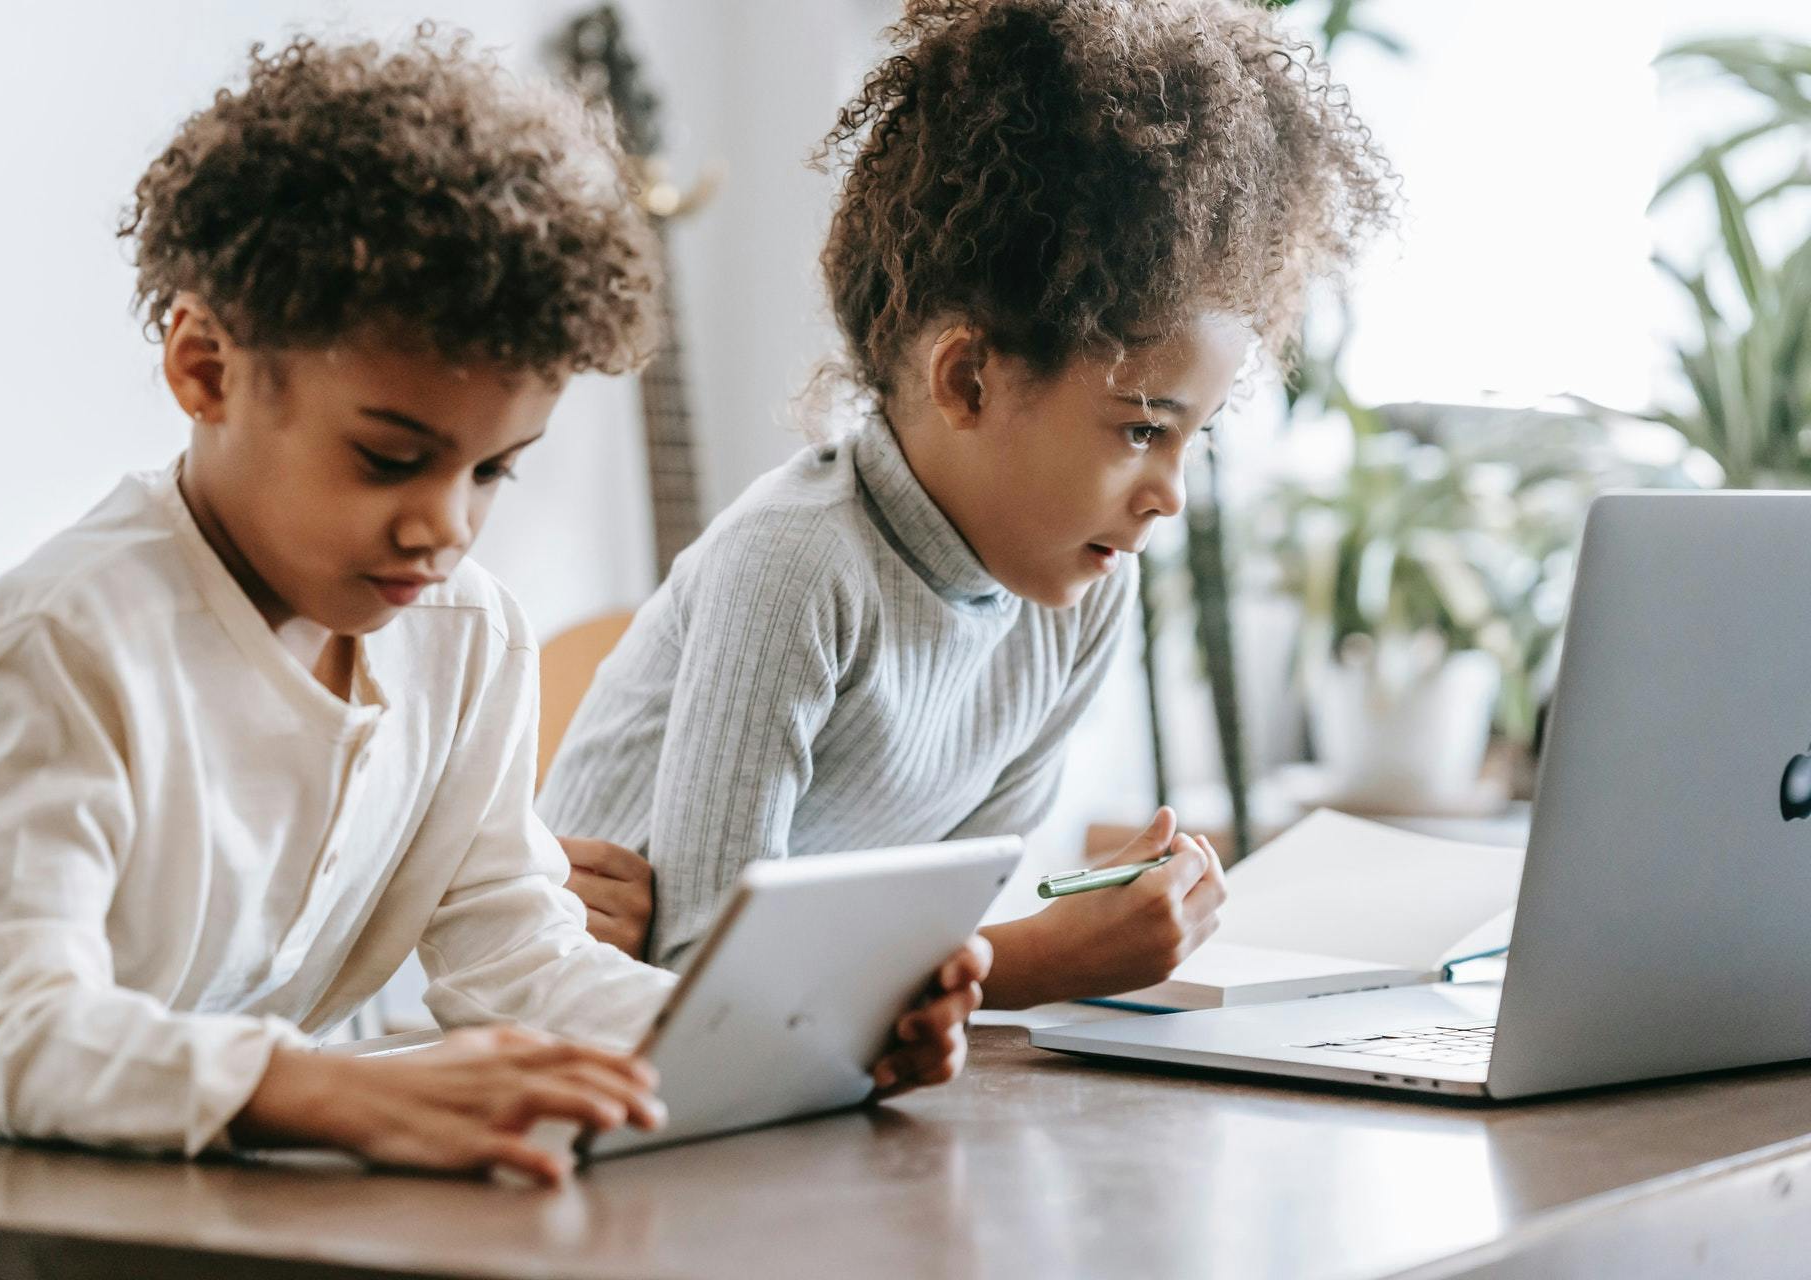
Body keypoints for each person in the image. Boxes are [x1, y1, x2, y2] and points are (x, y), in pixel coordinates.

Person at [0, 29, 987, 1185]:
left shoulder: (466, 637)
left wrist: (799, 1045)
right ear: (205, 368)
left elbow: (518, 952)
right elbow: (7, 1022)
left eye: (492, 469)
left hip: (212, 1200)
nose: (445, 526)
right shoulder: (71, 640)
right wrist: (328, 1089)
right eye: (387, 457)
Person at [540, 0, 1395, 1002]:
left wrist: (986, 956)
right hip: (573, 1048)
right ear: (968, 381)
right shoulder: (796, 565)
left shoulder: (1078, 599)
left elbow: (927, 932)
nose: (1168, 494)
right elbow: (711, 979)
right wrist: (1051, 957)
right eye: (1141, 429)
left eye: (1193, 437)